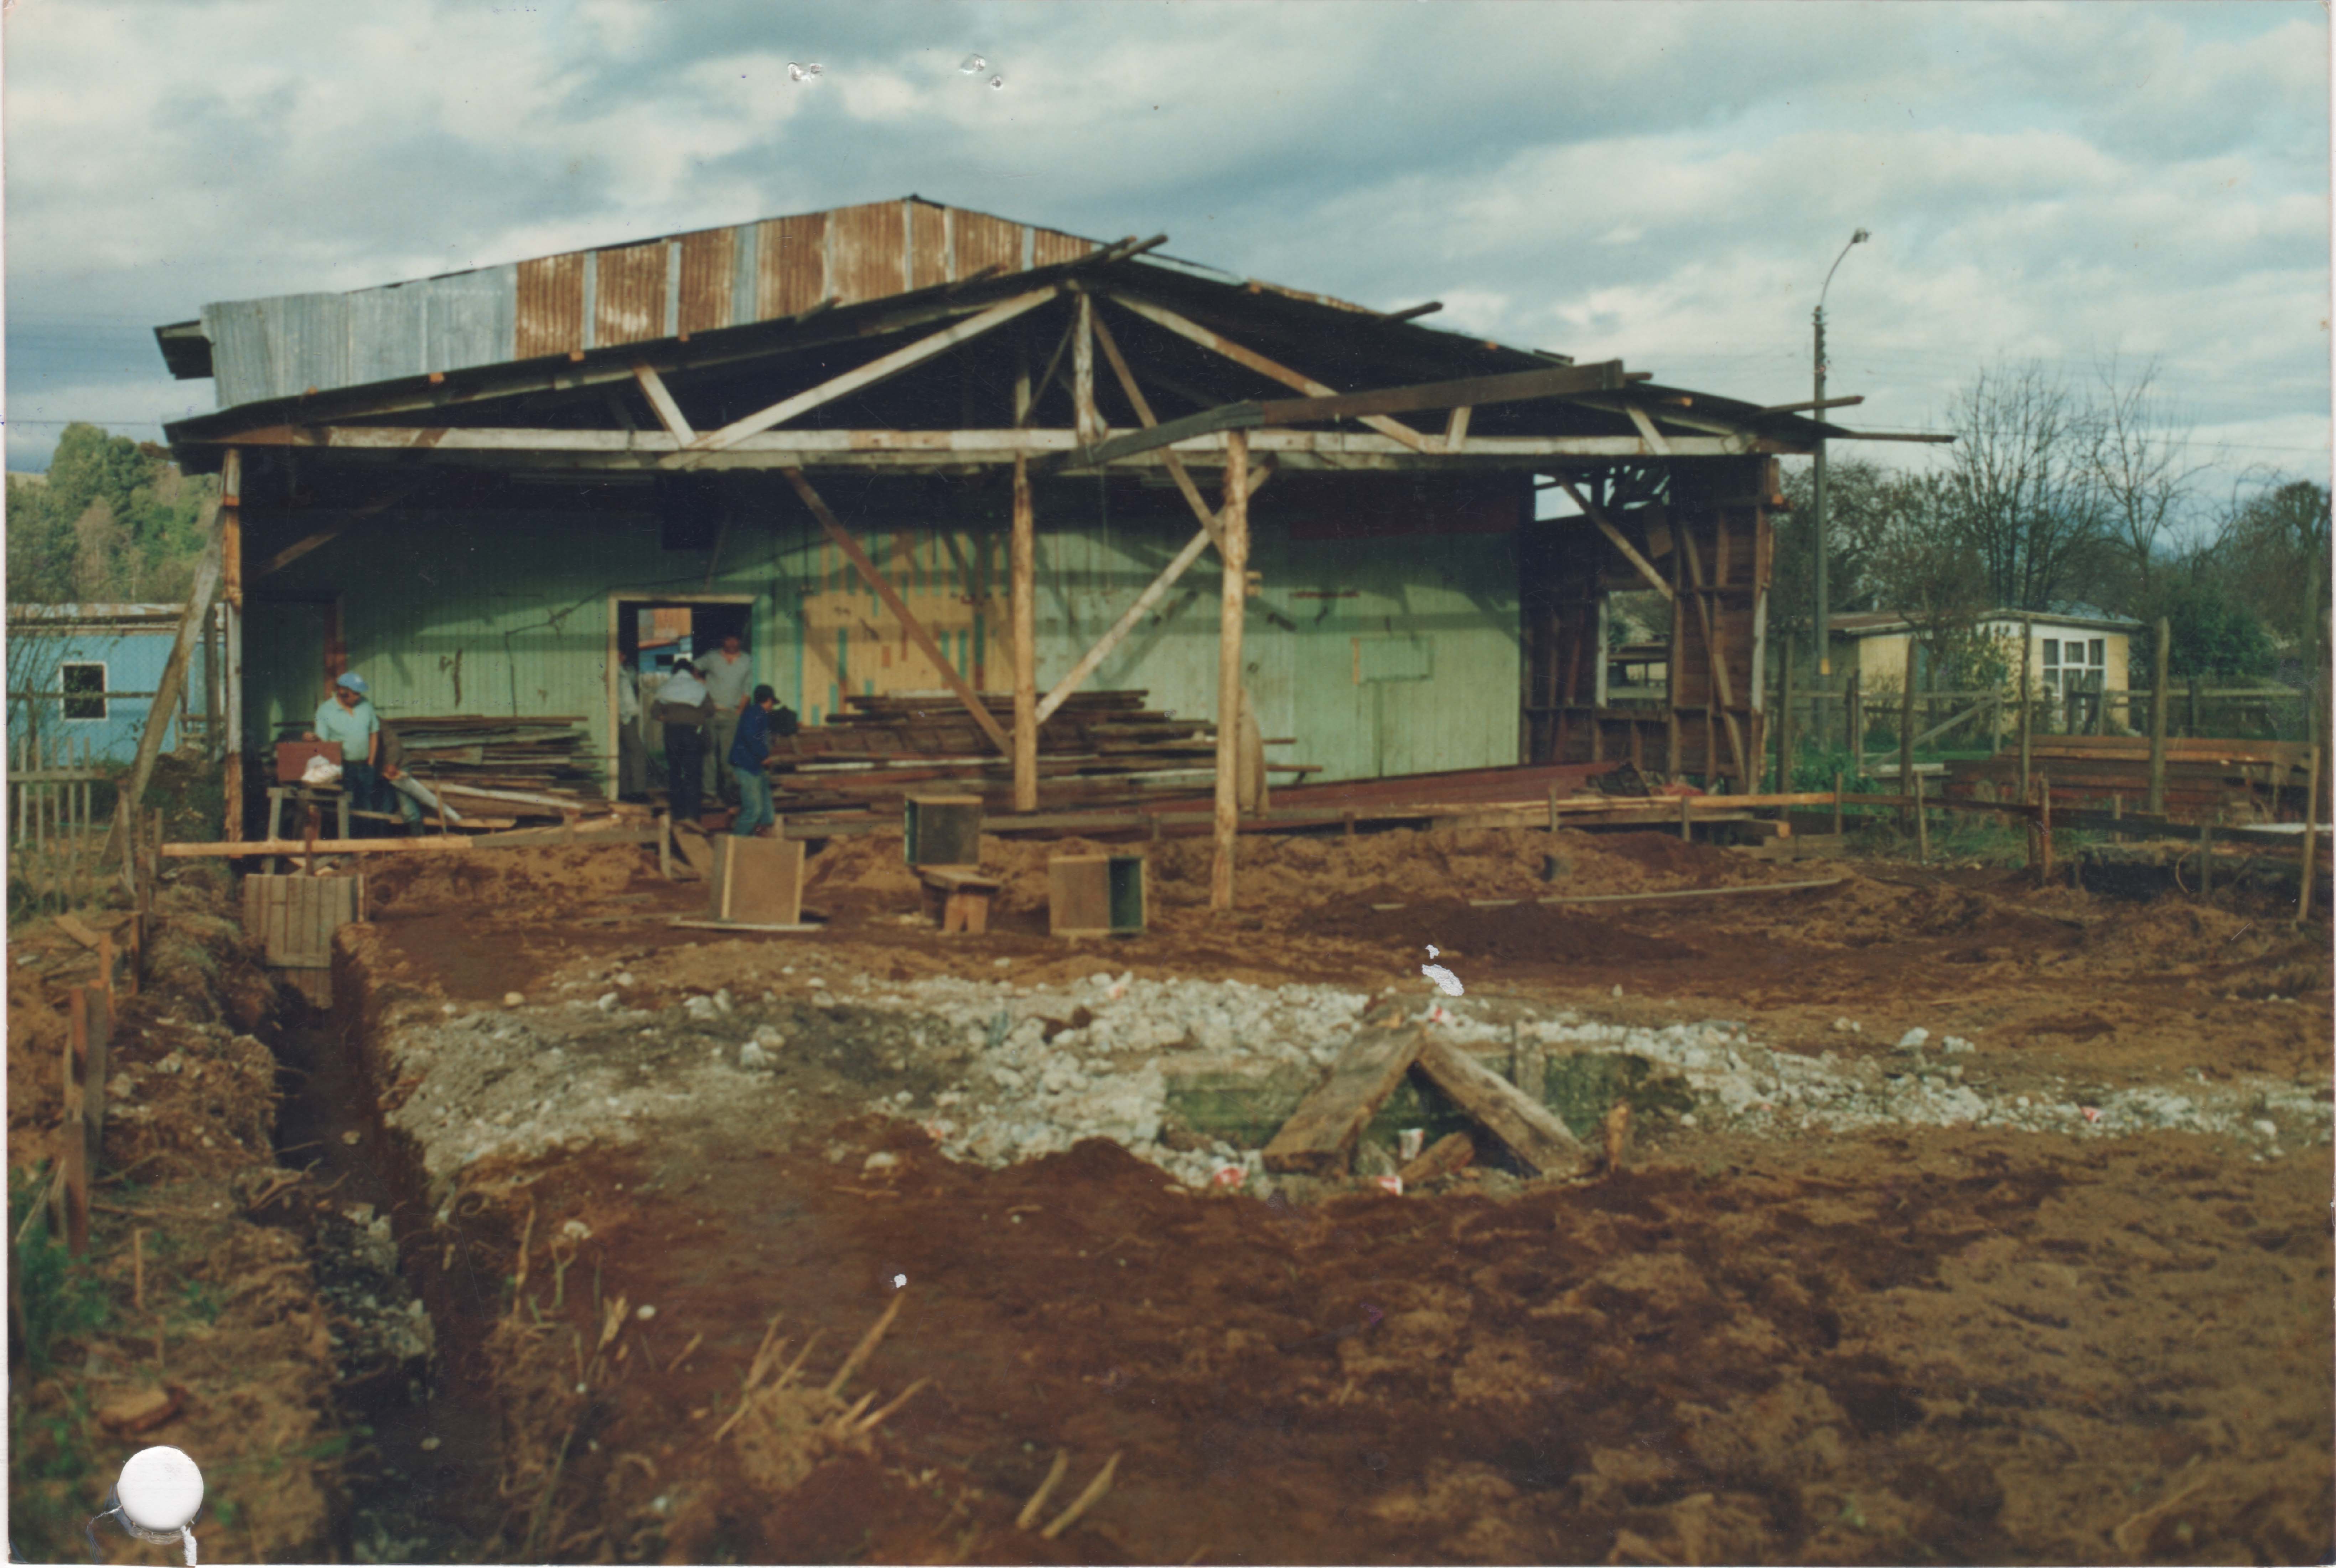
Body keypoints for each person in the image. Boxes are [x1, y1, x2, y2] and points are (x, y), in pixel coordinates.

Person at [306, 672, 382, 830]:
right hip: (344, 767)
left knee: (369, 805)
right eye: (355, 693)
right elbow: (323, 743)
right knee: (349, 807)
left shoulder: (365, 705)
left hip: (366, 765)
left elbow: (374, 733)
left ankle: (369, 847)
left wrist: (371, 762)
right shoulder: (325, 711)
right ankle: (352, 848)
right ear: (342, 691)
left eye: (360, 693)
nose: (358, 697)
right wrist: (313, 738)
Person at [728, 684, 800, 838]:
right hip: (747, 766)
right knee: (753, 809)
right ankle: (734, 842)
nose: (772, 707)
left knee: (767, 814)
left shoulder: (758, 714)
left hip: (756, 767)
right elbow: (750, 736)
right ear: (768, 700)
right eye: (772, 703)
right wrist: (763, 755)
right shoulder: (755, 713)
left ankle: (755, 839)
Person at [653, 659, 716, 827]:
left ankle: (678, 815)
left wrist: (669, 718)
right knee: (693, 774)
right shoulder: (699, 688)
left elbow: (655, 712)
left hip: (672, 733)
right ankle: (693, 816)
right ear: (692, 672)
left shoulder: (666, 688)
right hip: (693, 733)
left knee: (675, 772)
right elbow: (711, 711)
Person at [377, 721, 462, 834]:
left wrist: (391, 763)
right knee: (384, 805)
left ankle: (418, 836)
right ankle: (382, 836)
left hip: (397, 767)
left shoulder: (376, 721)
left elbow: (393, 744)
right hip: (377, 770)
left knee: (407, 805)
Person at [700, 633, 755, 806]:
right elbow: (691, 669)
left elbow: (748, 688)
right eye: (728, 639)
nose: (732, 642)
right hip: (710, 713)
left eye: (735, 639)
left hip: (732, 714)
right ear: (723, 641)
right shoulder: (711, 658)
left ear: (740, 641)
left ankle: (728, 795)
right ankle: (709, 794)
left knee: (728, 757)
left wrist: (740, 710)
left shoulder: (747, 661)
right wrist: (701, 684)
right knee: (708, 755)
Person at [616, 654, 648, 799]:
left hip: (623, 718)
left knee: (623, 754)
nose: (623, 658)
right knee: (637, 752)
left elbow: (634, 678)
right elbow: (619, 698)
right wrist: (624, 717)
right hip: (625, 719)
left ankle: (625, 791)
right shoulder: (617, 673)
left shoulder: (624, 671)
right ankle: (638, 791)